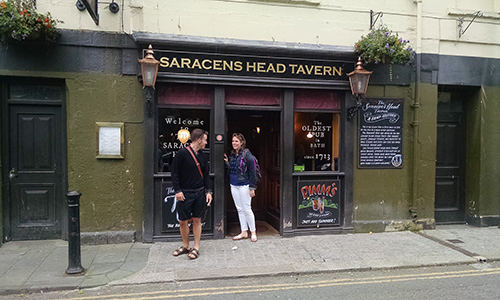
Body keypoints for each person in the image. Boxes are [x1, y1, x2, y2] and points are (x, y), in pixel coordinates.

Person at [171, 129, 212, 259]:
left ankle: (196, 248)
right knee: (183, 221)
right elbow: (174, 173)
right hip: (185, 192)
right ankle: (186, 246)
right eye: (205, 139)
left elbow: (206, 176)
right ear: (199, 139)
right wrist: (177, 190)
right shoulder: (182, 154)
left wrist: (209, 191)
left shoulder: (202, 155)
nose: (206, 142)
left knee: (197, 220)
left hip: (199, 192)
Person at [224, 133, 258, 242]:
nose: (234, 143)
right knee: (239, 209)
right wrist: (228, 163)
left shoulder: (247, 155)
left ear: (242, 142)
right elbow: (235, 169)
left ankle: (253, 232)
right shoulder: (233, 155)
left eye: (236, 141)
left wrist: (252, 187)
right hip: (234, 185)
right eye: (233, 141)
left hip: (244, 185)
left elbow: (253, 172)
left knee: (247, 209)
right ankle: (244, 231)